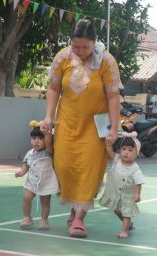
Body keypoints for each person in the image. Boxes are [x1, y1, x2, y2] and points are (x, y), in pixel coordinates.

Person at [40, 18, 121, 238]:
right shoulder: (62, 57)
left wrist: (114, 128)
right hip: (67, 123)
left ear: (95, 42)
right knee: (64, 166)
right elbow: (54, 88)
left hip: (95, 128)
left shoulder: (106, 61)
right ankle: (74, 210)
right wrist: (48, 116)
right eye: (76, 46)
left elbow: (113, 95)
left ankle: (78, 219)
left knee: (88, 170)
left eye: (85, 47)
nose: (81, 51)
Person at [15, 121, 60, 230]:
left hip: (46, 181)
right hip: (31, 182)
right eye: (34, 138)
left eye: (40, 138)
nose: (36, 141)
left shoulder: (48, 152)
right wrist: (21, 172)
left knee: (45, 202)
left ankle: (44, 220)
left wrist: (48, 133)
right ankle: (27, 217)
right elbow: (26, 165)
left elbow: (49, 143)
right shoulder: (30, 153)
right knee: (26, 197)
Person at [99, 132, 144, 238]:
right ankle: (128, 224)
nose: (126, 152)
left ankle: (124, 231)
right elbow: (110, 154)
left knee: (126, 213)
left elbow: (139, 182)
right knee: (116, 210)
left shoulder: (135, 169)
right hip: (115, 193)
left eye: (130, 150)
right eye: (124, 149)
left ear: (136, 153)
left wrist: (138, 194)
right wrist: (108, 145)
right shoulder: (117, 160)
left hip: (127, 195)